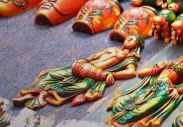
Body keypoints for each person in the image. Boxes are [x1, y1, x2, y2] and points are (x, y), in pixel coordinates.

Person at [13, 34, 144, 109]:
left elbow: (131, 72)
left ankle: (44, 95)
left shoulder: (129, 58)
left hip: (95, 75)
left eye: (132, 39)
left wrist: (113, 74)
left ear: (136, 45)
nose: (128, 39)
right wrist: (84, 60)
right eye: (128, 37)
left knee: (81, 86)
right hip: (84, 66)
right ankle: (30, 93)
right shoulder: (112, 49)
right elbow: (95, 56)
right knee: (52, 74)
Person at [107, 49, 183, 127]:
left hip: (164, 90)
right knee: (124, 100)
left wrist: (178, 90)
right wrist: (156, 69)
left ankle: (121, 124)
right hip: (152, 86)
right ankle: (116, 120)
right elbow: (141, 73)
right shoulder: (168, 63)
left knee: (143, 108)